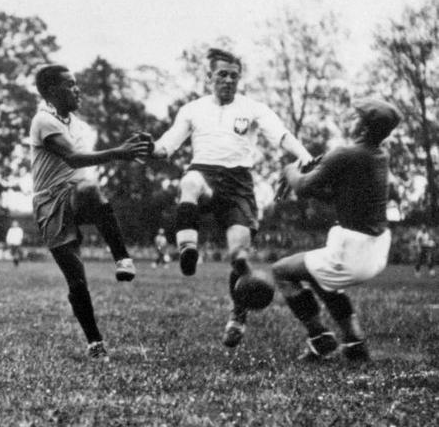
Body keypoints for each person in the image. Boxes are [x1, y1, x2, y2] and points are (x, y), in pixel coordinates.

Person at [148, 48, 313, 348]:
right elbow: (168, 143)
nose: (228, 80)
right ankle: (187, 250)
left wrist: (304, 155)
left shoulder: (253, 108)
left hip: (238, 184)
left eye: (234, 76)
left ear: (239, 79)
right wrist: (152, 148)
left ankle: (237, 316)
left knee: (239, 256)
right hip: (205, 174)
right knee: (189, 182)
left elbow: (281, 134)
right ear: (209, 76)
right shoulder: (193, 109)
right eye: (222, 74)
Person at [30, 64, 152, 359]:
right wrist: (119, 153)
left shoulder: (81, 127)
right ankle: (95, 343)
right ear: (51, 91)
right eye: (70, 84)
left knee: (88, 189)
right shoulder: (43, 120)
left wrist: (139, 150)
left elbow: (84, 172)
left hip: (75, 195)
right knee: (76, 281)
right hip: (50, 204)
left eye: (76, 83)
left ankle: (122, 258)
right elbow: (74, 158)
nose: (77, 89)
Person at [272, 98, 401, 362]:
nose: (352, 120)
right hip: (375, 250)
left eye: (357, 117)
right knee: (319, 277)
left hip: (352, 252)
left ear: (364, 128)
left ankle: (319, 337)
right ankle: (354, 342)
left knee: (281, 271)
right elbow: (337, 196)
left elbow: (302, 187)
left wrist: (290, 171)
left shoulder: (346, 154)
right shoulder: (379, 155)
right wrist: (321, 172)